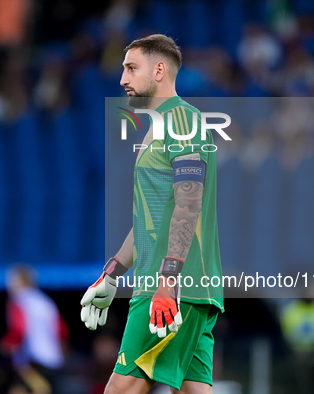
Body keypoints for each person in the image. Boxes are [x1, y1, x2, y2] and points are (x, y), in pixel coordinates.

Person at [80, 34, 225, 394]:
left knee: (120, 389)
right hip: (184, 285)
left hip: (170, 284)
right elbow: (154, 219)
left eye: (131, 68)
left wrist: (168, 278)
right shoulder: (161, 128)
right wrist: (111, 274)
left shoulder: (181, 120)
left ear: (159, 70)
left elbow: (188, 202)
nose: (122, 79)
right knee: (194, 389)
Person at [0, 265, 69, 394]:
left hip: (32, 361)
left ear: (21, 281)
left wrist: (8, 343)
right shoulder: (46, 302)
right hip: (53, 362)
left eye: (11, 280)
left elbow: (20, 328)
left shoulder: (18, 300)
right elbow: (62, 332)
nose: (8, 284)